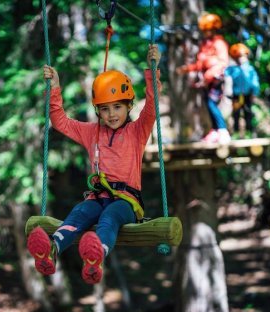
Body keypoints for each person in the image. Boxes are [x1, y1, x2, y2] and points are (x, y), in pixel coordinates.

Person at [27, 44, 162, 285]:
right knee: (79, 213)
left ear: (129, 106)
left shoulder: (136, 132)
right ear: (97, 111)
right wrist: (55, 88)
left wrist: (152, 71)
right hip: (97, 198)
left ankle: (96, 256)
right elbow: (60, 122)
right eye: (105, 109)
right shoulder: (91, 133)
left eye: (117, 107)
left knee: (109, 217)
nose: (112, 114)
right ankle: (51, 251)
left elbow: (152, 108)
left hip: (126, 203)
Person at [176, 13, 231, 144]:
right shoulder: (206, 45)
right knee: (208, 104)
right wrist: (187, 69)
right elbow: (201, 64)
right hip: (209, 80)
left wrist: (208, 76)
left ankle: (223, 130)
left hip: (216, 78)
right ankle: (215, 130)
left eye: (208, 30)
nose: (206, 33)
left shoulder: (219, 43)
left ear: (214, 30)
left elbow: (223, 62)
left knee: (212, 104)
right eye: (205, 31)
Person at [224, 43, 260, 138]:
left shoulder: (249, 69)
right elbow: (225, 74)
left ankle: (250, 132)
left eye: (242, 56)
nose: (240, 59)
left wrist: (255, 92)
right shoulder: (232, 69)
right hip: (236, 95)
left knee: (248, 113)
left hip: (247, 95)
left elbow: (254, 81)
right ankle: (236, 133)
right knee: (236, 113)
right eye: (238, 57)